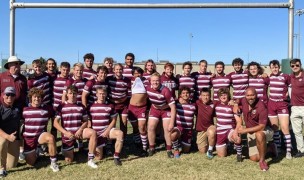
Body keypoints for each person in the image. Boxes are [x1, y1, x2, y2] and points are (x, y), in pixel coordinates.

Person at [53, 85, 98, 168]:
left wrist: (80, 129)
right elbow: (55, 123)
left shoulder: (81, 106)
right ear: (67, 94)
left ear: (77, 94)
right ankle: (66, 149)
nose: (72, 95)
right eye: (70, 93)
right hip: (68, 135)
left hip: (79, 133)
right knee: (69, 161)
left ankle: (90, 160)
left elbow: (85, 121)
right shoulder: (61, 106)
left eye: (74, 93)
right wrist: (65, 133)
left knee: (93, 133)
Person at [235, 88, 274, 171]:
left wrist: (244, 130)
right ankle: (270, 148)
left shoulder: (262, 106)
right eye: (248, 95)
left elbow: (262, 127)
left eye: (252, 95)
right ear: (245, 96)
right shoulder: (244, 100)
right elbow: (238, 100)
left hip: (265, 130)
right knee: (254, 158)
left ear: (256, 95)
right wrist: (235, 104)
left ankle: (262, 161)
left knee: (259, 134)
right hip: (251, 131)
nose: (250, 97)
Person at [22, 87, 59, 172]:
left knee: (50, 138)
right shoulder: (24, 110)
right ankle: (36, 151)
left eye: (39, 97)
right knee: (31, 163)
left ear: (42, 98)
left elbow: (57, 114)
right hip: (28, 139)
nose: (37, 99)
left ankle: (53, 163)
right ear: (31, 98)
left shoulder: (47, 108)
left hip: (40, 135)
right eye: (35, 97)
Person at [0, 56, 27, 161]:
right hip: (3, 108)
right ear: (9, 65)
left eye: (18, 64)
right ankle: (3, 146)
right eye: (15, 64)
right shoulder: (2, 76)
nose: (18, 66)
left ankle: (20, 150)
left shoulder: (23, 78)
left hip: (18, 109)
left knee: (19, 130)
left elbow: (24, 94)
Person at [88, 87, 123, 166]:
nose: (102, 95)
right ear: (96, 94)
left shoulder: (110, 105)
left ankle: (116, 157)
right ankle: (94, 148)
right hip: (96, 134)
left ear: (106, 94)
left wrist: (107, 131)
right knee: (98, 158)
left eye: (103, 93)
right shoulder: (91, 106)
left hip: (107, 130)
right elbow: (88, 119)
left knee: (120, 133)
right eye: (100, 94)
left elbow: (114, 120)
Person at [146, 72, 176, 157]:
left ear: (160, 81)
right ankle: (151, 148)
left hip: (166, 110)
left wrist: (172, 123)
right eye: (153, 81)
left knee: (167, 129)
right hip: (155, 109)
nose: (155, 82)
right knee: (151, 127)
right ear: (150, 81)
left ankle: (169, 149)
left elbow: (173, 107)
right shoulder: (147, 88)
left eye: (157, 80)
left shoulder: (165, 90)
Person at [268, 60, 292, 159]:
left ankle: (288, 151)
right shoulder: (269, 77)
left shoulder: (285, 76)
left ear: (279, 67)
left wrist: (288, 96)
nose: (275, 69)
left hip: (282, 103)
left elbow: (291, 87)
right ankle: (277, 148)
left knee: (285, 127)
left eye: (276, 67)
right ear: (270, 68)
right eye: (273, 67)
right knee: (275, 128)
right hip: (271, 103)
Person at [214, 88, 242, 161]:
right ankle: (228, 145)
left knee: (237, 138)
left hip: (230, 130)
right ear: (219, 97)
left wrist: (236, 131)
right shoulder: (216, 105)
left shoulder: (232, 106)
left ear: (228, 96)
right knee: (222, 155)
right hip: (220, 131)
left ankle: (239, 154)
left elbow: (239, 121)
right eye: (221, 95)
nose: (223, 97)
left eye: (225, 95)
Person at [0, 87, 21, 177]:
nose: (9, 97)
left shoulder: (18, 107)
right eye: (7, 94)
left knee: (12, 165)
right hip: (2, 135)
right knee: (2, 143)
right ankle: (2, 169)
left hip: (14, 138)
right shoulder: (0, 108)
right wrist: (7, 136)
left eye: (12, 95)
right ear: (3, 95)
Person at [170, 86, 196, 158]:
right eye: (183, 93)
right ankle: (176, 149)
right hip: (179, 127)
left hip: (188, 130)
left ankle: (182, 142)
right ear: (180, 95)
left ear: (190, 94)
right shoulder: (177, 103)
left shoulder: (193, 104)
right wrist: (177, 100)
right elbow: (169, 102)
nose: (185, 95)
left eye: (187, 93)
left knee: (186, 151)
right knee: (173, 134)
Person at [128, 67, 149, 155]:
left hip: (142, 108)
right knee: (135, 127)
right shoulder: (130, 81)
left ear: (142, 73)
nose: (137, 75)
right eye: (135, 73)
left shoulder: (146, 81)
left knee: (142, 127)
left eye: (139, 73)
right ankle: (137, 142)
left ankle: (144, 146)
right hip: (132, 108)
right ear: (133, 74)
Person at [107, 64, 131, 137]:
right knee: (112, 122)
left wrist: (121, 100)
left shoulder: (127, 80)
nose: (118, 71)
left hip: (123, 105)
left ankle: (123, 138)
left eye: (120, 69)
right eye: (117, 69)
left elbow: (129, 93)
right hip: (112, 104)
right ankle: (111, 140)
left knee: (123, 122)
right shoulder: (109, 79)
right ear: (114, 70)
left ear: (122, 70)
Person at [195, 87, 216, 159]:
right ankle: (211, 143)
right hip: (201, 130)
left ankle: (210, 150)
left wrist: (233, 102)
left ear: (210, 96)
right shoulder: (197, 103)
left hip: (210, 127)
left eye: (207, 95)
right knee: (202, 151)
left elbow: (224, 102)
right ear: (200, 96)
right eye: (203, 95)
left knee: (211, 132)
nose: (205, 97)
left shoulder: (213, 103)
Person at [289, 58, 304, 158]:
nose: (295, 67)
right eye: (293, 66)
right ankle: (301, 150)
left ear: (301, 65)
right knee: (297, 131)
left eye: (297, 65)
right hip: (294, 108)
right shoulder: (290, 77)